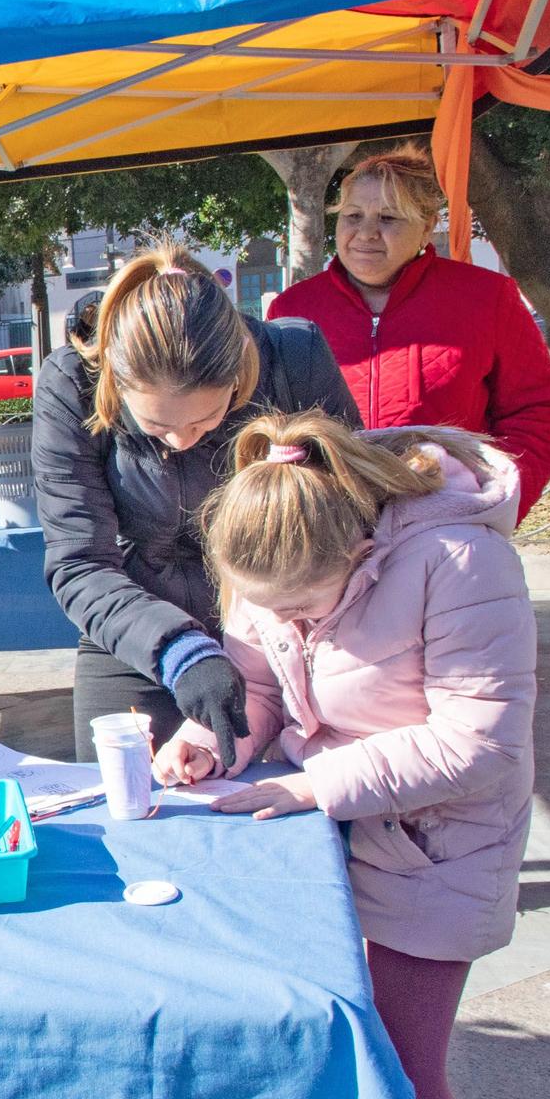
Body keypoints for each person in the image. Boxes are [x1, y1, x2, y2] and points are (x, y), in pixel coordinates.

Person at [154, 412, 536, 1099]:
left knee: (403, 1066)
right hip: (333, 836)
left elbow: (482, 740)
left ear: (361, 554)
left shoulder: (459, 557)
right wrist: (210, 736)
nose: (285, 622)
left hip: (443, 842)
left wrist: (315, 784)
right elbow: (261, 683)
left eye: (300, 608)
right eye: (269, 609)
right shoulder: (277, 560)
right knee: (331, 1047)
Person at [32, 243, 360, 762]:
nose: (181, 441)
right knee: (120, 801)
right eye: (156, 427)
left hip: (285, 623)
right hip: (133, 628)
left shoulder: (293, 360)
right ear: (115, 383)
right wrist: (175, 647)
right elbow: (80, 562)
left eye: (205, 422)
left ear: (238, 378)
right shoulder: (72, 382)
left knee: (291, 804)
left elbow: (355, 508)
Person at [268, 146, 550, 519]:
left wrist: (496, 500)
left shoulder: (488, 298)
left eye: (389, 218)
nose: (367, 233)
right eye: (353, 216)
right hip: (328, 529)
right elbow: (268, 421)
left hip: (451, 523)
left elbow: (535, 411)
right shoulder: (292, 309)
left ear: (427, 226)